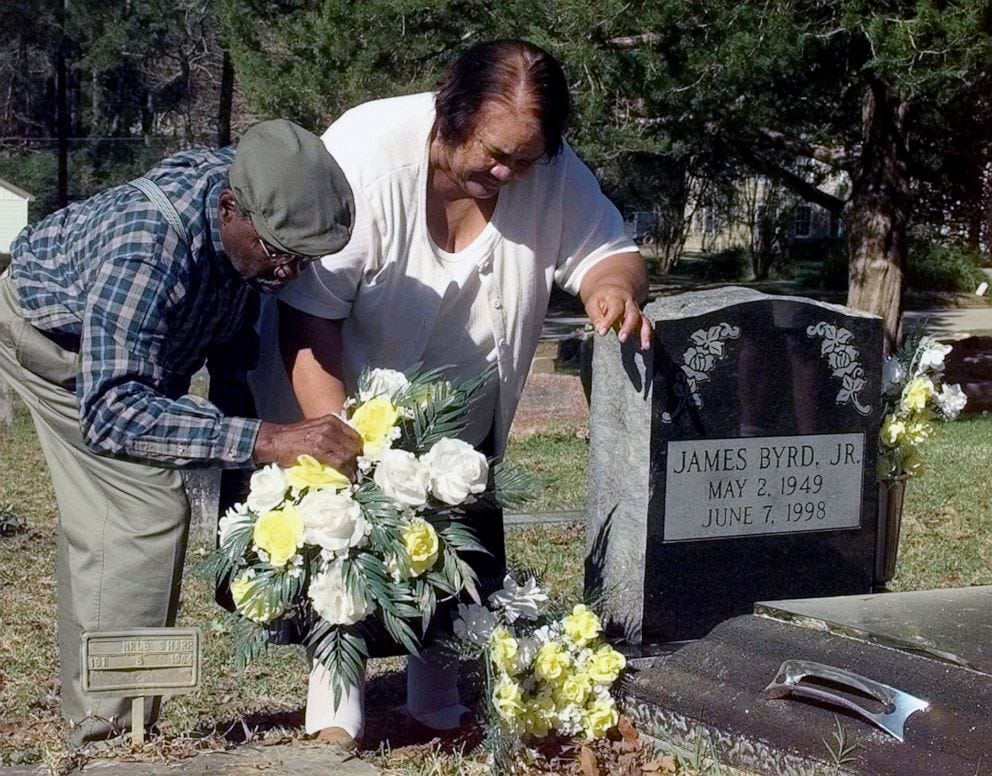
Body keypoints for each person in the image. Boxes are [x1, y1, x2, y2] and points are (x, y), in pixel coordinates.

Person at [250, 39, 652, 747]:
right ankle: (335, 703)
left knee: (455, 552)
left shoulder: (548, 171)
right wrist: (335, 437)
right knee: (348, 548)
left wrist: (612, 288)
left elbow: (608, 250)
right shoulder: (363, 155)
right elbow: (310, 320)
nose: (506, 174)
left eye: (524, 162)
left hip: (466, 410)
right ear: (449, 110)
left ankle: (434, 695)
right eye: (494, 154)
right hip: (346, 391)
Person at [0, 119, 364, 746]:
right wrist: (267, 439)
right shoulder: (148, 244)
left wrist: (245, 466)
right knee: (141, 506)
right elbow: (114, 409)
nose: (290, 278)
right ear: (230, 209)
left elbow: (229, 328)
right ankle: (107, 731)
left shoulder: (253, 202)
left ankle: (111, 709)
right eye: (281, 257)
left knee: (143, 500)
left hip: (142, 353)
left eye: (305, 261)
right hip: (59, 348)